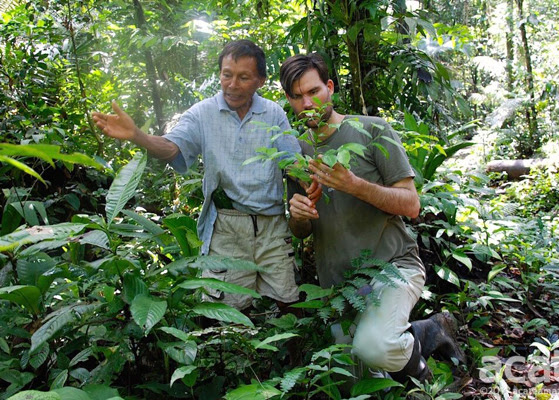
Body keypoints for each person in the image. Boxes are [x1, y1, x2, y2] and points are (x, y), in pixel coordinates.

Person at [92, 40, 319, 311]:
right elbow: (172, 147)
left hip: (272, 226)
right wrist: (138, 136)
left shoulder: (272, 113)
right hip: (227, 226)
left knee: (288, 303)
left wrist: (313, 179)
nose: (232, 84)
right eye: (226, 75)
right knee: (224, 314)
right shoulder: (202, 114)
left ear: (260, 80)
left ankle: (290, 354)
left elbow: (292, 163)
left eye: (243, 77)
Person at [280, 53, 465, 383]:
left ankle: (428, 334)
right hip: (338, 283)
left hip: (392, 265)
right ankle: (422, 339)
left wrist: (355, 185)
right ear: (289, 100)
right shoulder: (297, 151)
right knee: (360, 381)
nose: (307, 103)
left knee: (376, 347)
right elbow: (301, 231)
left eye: (314, 91)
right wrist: (298, 214)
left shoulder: (371, 130)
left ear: (331, 87)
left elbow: (411, 205)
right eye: (297, 96)